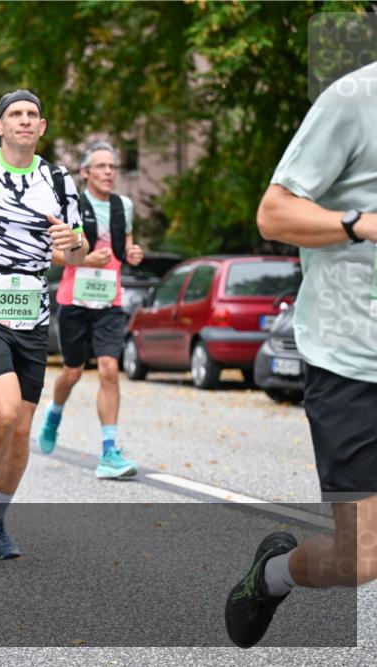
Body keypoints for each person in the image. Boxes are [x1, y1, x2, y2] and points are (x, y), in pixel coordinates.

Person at [224, 62, 376, 649]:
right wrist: (358, 223)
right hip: (351, 358)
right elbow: (275, 213)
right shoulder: (353, 100)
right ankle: (273, 575)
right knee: (360, 558)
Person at [0, 90, 88, 559]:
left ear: (42, 126)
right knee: (5, 411)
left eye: (33, 115)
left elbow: (78, 254)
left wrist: (73, 243)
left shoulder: (58, 178)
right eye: (15, 114)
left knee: (21, 430)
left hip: (31, 309)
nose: (25, 121)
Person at [37, 141, 145, 480]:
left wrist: (133, 254)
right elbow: (48, 253)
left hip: (110, 301)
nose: (109, 172)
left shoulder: (123, 206)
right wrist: (83, 258)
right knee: (72, 372)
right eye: (101, 167)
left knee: (110, 369)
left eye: (112, 167)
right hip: (75, 301)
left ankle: (109, 451)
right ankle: (55, 413)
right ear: (85, 173)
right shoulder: (71, 205)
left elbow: (124, 248)